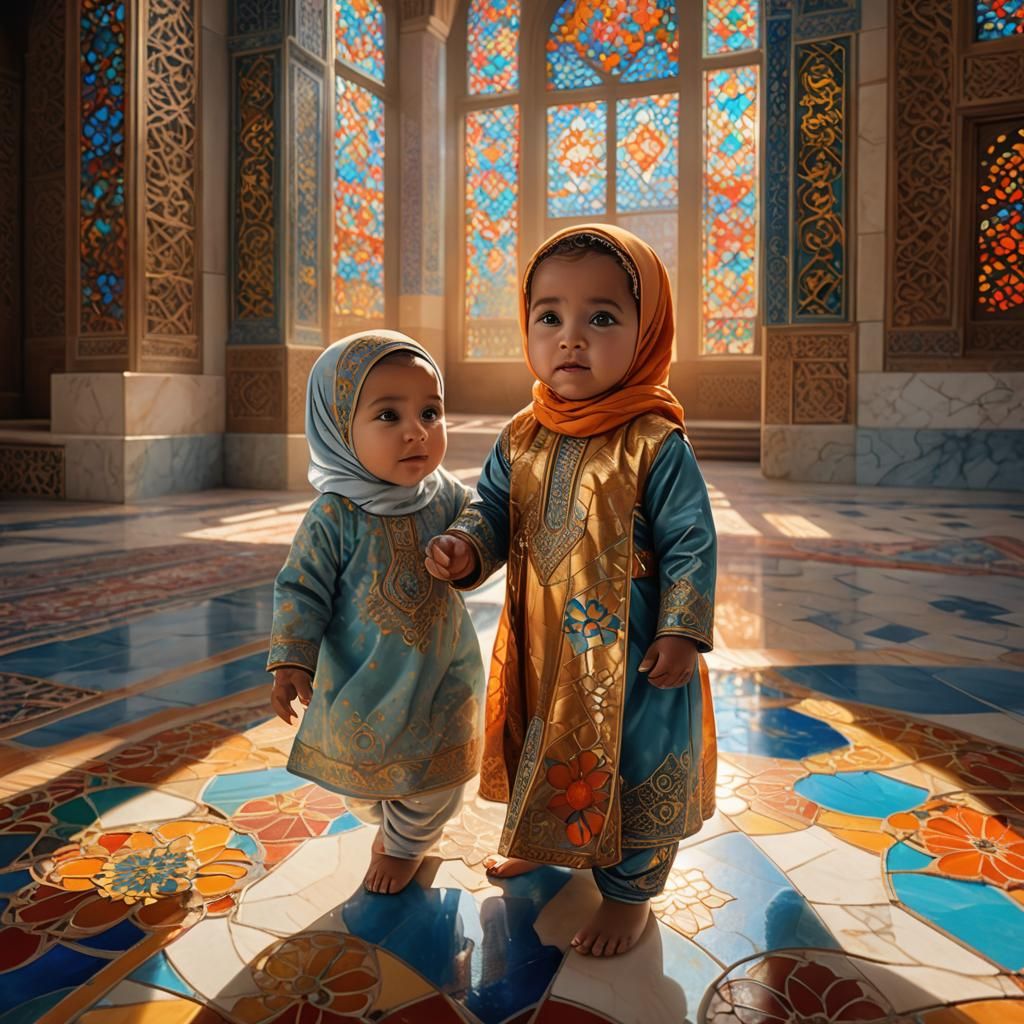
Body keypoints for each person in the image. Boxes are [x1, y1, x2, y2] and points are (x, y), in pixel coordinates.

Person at [425, 224, 718, 957]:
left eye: (603, 318)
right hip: (544, 643)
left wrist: (682, 629)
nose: (571, 338)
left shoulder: (655, 440)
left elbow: (691, 539)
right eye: (549, 316)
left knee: (639, 757)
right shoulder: (522, 434)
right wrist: (465, 547)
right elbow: (492, 509)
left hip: (636, 653)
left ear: (647, 330)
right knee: (542, 743)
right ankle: (545, 836)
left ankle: (629, 895)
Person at [268, 330, 485, 895]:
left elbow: (483, 530)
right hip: (359, 678)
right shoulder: (333, 515)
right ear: (339, 429)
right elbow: (301, 587)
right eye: (388, 415)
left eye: (431, 412)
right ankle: (383, 824)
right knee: (363, 783)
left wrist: (467, 550)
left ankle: (404, 844)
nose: (417, 431)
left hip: (441, 671)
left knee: (435, 776)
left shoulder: (446, 496)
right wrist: (292, 657)